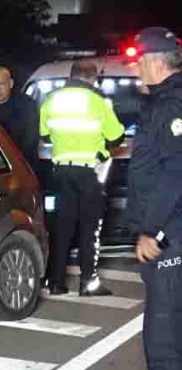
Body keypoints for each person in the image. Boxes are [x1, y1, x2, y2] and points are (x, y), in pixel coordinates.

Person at [125, 26, 182, 370]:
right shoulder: (161, 102)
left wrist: (152, 232)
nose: (135, 68)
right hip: (170, 233)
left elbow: (175, 175)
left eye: (138, 60)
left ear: (155, 61)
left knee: (162, 342)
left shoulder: (173, 105)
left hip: (170, 237)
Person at [40, 59, 124, 297]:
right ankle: (88, 283)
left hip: (61, 172)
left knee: (61, 227)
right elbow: (116, 136)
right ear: (91, 78)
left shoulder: (52, 99)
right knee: (90, 229)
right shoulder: (97, 102)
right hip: (89, 173)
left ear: (72, 75)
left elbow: (44, 132)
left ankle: (56, 282)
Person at [0, 66, 41, 172]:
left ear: (11, 84)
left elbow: (30, 141)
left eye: (2, 84)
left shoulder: (26, 106)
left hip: (23, 169)